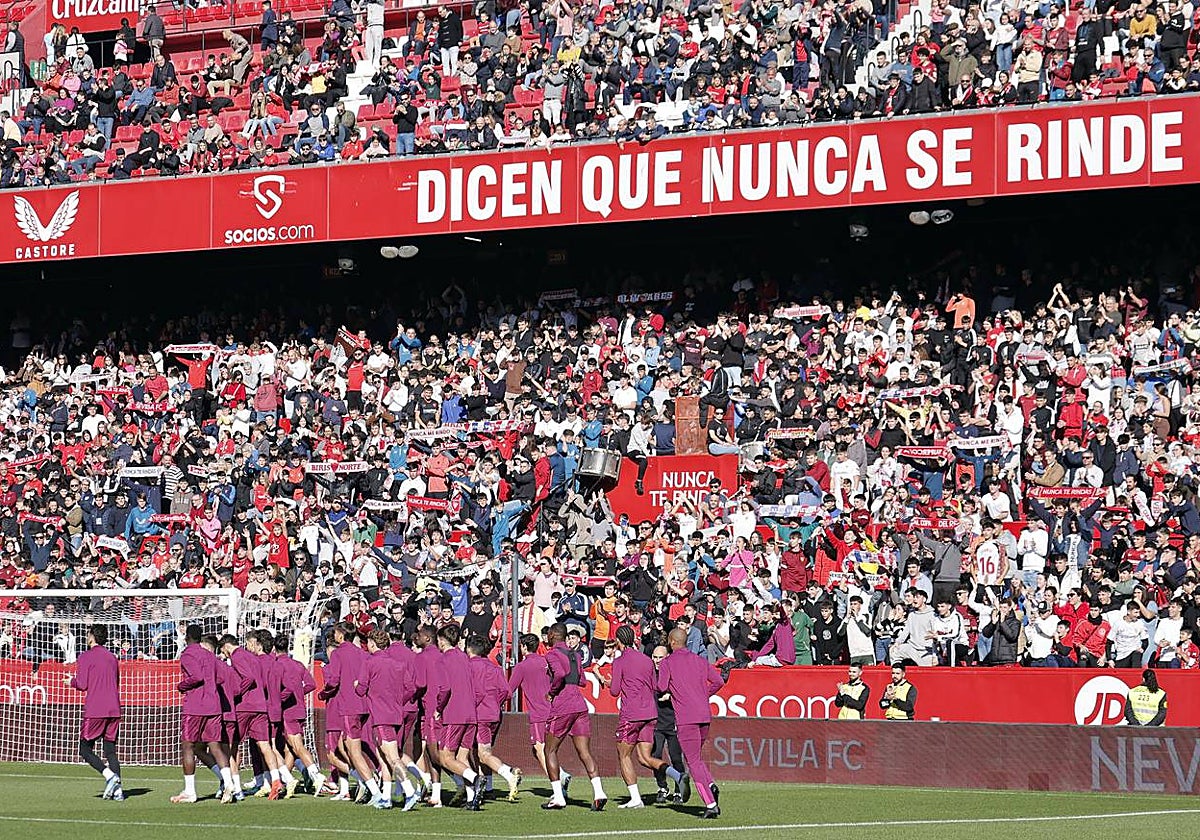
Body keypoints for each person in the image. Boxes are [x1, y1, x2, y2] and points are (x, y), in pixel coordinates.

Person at [607, 625, 687, 808]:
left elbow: (614, 691)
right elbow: (655, 686)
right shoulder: (646, 660)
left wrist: (610, 682)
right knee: (644, 757)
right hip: (650, 714)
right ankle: (678, 775)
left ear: (618, 641)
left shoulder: (619, 662)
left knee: (624, 755)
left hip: (631, 714)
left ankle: (636, 798)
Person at [657, 627, 725, 819]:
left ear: (672, 642)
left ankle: (710, 804)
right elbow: (719, 682)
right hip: (704, 715)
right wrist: (703, 695)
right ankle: (710, 784)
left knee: (692, 761)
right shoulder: (700, 660)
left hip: (686, 718)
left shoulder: (667, 662)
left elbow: (661, 686)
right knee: (696, 758)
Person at [542, 622, 606, 810]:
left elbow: (560, 673)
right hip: (579, 704)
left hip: (563, 704)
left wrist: (552, 691)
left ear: (553, 635)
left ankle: (558, 797)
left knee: (549, 750)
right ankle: (599, 792)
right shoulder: (576, 655)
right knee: (584, 752)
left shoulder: (552, 654)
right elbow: (582, 681)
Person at [175, 624, 235, 804]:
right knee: (214, 746)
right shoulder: (209, 655)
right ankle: (228, 782)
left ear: (187, 637)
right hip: (214, 706)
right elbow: (222, 677)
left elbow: (197, 677)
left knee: (188, 746)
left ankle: (190, 791)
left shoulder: (188, 654)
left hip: (196, 706)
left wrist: (182, 685)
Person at [355, 627, 414, 809]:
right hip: (395, 714)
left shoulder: (370, 663)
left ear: (373, 644)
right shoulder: (398, 664)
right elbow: (411, 688)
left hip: (381, 716)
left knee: (392, 757)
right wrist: (397, 701)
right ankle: (386, 797)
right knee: (383, 757)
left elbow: (361, 689)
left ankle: (410, 791)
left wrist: (356, 685)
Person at [67, 624, 124, 800]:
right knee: (110, 750)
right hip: (114, 708)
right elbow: (116, 682)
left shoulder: (86, 656)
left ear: (92, 636)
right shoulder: (112, 657)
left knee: (84, 749)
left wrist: (71, 681)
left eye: (87, 633)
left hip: (96, 709)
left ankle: (109, 776)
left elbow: (82, 684)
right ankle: (118, 791)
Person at [466, 635, 522, 801]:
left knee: (482, 753)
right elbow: (507, 692)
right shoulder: (494, 667)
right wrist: (495, 703)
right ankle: (488, 787)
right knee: (484, 750)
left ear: (469, 648)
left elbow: (473, 691)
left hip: (479, 714)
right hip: (494, 714)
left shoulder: (469, 666)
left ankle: (509, 773)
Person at [433, 623, 482, 809]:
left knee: (445, 757)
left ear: (441, 641)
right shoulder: (464, 658)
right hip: (470, 714)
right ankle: (471, 799)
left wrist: (439, 708)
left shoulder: (443, 660)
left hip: (454, 714)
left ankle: (475, 778)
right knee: (462, 758)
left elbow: (445, 688)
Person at [273, 634, 326, 797]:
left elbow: (284, 690)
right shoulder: (297, 664)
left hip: (288, 711)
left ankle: (316, 775)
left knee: (297, 746)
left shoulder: (277, 665)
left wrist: (280, 699)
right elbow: (311, 684)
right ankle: (286, 781)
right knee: (290, 748)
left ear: (274, 649)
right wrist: (299, 692)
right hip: (300, 710)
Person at [508, 633, 561, 786]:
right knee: (548, 749)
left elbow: (509, 690)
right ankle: (561, 777)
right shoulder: (545, 661)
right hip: (552, 709)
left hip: (538, 713)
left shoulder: (522, 666)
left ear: (524, 647)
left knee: (540, 748)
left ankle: (558, 783)